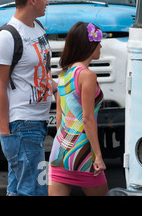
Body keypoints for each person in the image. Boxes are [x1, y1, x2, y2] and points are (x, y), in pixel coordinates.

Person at [0, 0, 55, 196]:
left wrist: (63, 87)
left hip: (37, 122)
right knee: (34, 190)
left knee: (19, 189)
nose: (48, 3)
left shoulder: (37, 27)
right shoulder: (7, 37)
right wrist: (5, 131)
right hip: (21, 125)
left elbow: (42, 73)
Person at [48, 22, 108, 196]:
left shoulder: (64, 74)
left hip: (60, 149)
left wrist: (63, 147)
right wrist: (98, 155)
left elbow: (60, 117)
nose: (101, 45)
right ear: (89, 45)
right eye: (99, 42)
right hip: (82, 151)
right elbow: (87, 119)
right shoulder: (87, 76)